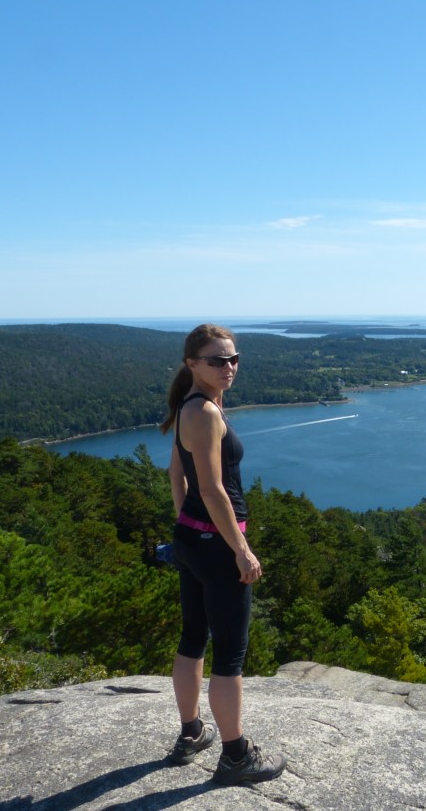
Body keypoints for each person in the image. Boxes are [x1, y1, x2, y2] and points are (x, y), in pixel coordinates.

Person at [159, 323, 286, 785]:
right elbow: (213, 490)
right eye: (217, 359)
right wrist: (241, 550)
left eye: (233, 358)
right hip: (215, 546)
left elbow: (177, 474)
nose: (228, 367)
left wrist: (185, 523)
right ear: (192, 363)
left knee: (193, 638)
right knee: (230, 656)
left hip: (192, 541)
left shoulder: (188, 406)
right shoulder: (207, 413)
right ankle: (235, 756)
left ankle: (191, 732)